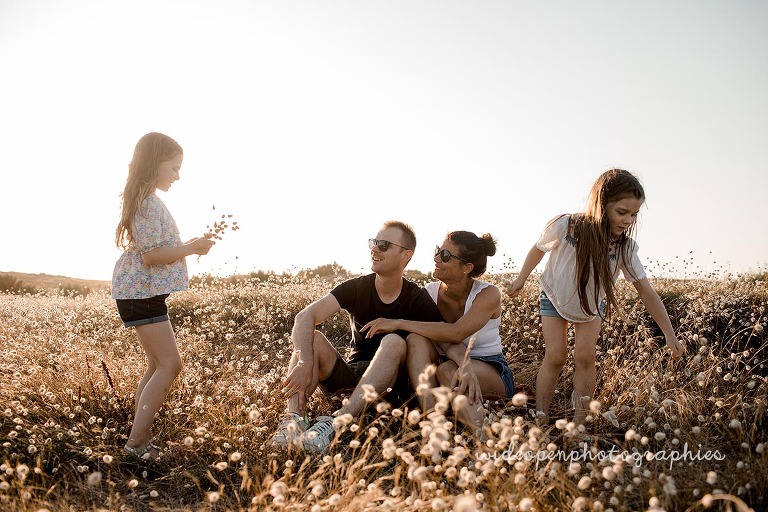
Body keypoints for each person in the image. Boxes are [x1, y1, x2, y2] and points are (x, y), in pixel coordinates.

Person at [503, 168, 686, 425]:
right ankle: (540, 417)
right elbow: (538, 248)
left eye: (633, 214)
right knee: (555, 355)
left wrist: (669, 333)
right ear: (601, 205)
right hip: (556, 293)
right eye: (622, 212)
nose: (628, 220)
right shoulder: (567, 226)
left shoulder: (624, 248)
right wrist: (521, 278)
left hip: (592, 302)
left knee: (585, 357)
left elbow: (646, 290)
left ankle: (580, 422)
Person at [268, 221, 444, 454]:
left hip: (388, 390)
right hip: (351, 379)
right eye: (374, 243)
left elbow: (445, 337)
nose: (374, 249)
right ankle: (293, 422)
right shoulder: (357, 287)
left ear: (405, 256)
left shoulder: (416, 297)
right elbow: (304, 317)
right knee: (312, 338)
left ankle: (336, 422)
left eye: (383, 245)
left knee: (393, 341)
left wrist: (465, 370)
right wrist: (304, 361)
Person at [112, 132, 215, 460]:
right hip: (141, 294)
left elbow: (154, 251)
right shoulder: (146, 202)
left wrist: (190, 246)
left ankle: (138, 438)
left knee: (157, 364)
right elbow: (151, 256)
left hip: (142, 293)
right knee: (171, 365)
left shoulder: (145, 199)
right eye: (174, 167)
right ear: (155, 162)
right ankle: (136, 446)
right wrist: (192, 248)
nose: (178, 175)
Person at [362, 231, 515, 430]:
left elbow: (456, 333)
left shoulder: (488, 294)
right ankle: (434, 425)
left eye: (445, 256)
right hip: (444, 364)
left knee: (449, 371)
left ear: (467, 268)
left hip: (488, 368)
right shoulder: (429, 293)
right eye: (438, 251)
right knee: (416, 339)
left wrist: (398, 322)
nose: (436, 259)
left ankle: (482, 441)